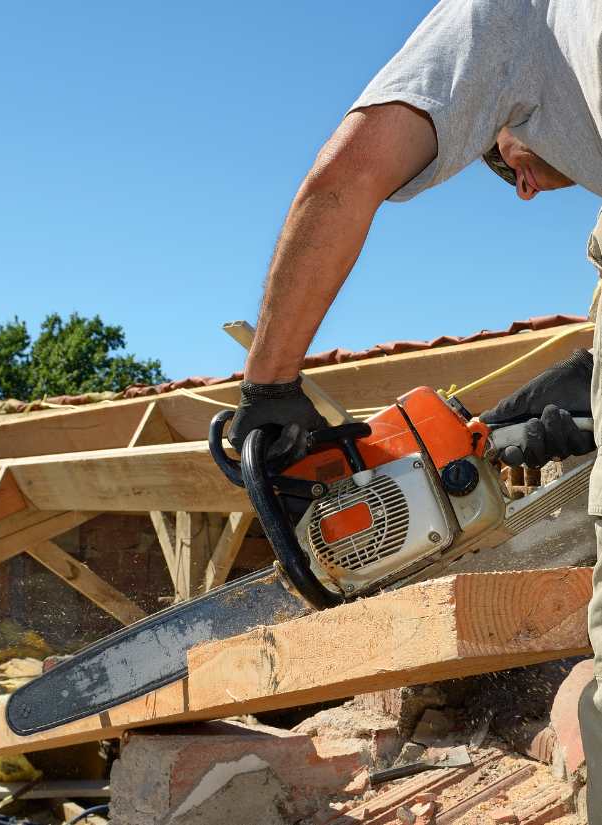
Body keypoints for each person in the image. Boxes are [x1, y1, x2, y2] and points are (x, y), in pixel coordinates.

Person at [227, 1, 602, 818]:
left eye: (501, 161)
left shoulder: (506, 13)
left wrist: (268, 389)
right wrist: (552, 423)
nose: (523, 187)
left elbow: (343, 175)